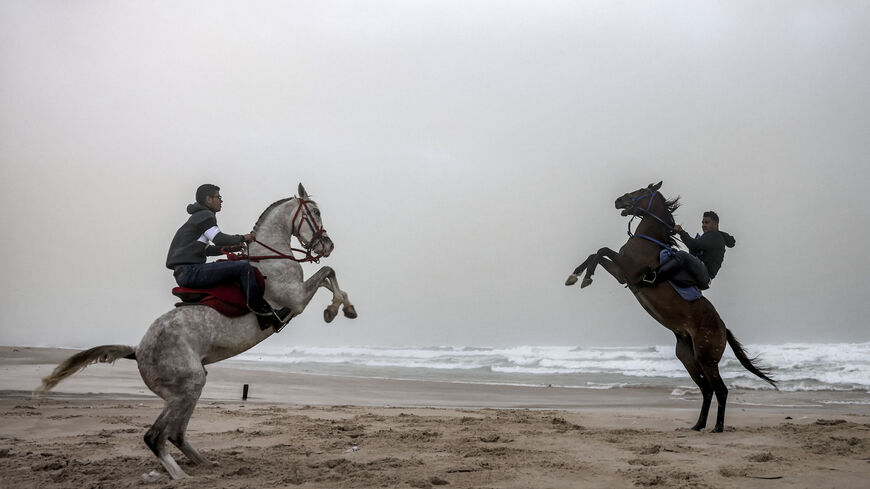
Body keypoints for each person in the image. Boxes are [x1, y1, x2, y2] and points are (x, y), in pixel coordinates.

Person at [166, 184, 291, 331]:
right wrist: (243, 237)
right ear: (208, 199)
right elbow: (218, 238)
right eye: (218, 197)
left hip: (185, 272)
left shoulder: (196, 218)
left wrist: (231, 248)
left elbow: (207, 249)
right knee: (244, 267)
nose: (221, 201)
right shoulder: (205, 215)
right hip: (191, 271)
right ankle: (264, 315)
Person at [646, 211, 736, 290]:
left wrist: (681, 232)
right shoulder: (709, 237)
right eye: (703, 223)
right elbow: (693, 251)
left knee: (681, 255)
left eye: (707, 222)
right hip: (701, 272)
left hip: (705, 273)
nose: (703, 225)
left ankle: (654, 277)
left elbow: (693, 245)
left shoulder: (715, 236)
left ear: (715, 224)